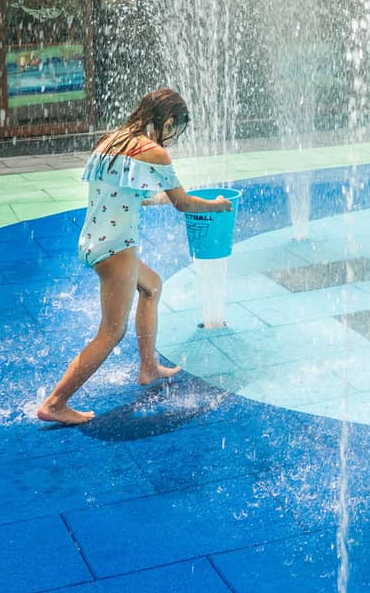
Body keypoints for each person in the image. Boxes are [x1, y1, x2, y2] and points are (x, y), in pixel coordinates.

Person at [36, 88, 232, 425]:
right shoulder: (153, 152)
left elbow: (126, 196)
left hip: (94, 241)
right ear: (166, 120)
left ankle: (148, 367)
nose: (172, 135)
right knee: (112, 332)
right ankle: (55, 403)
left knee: (152, 286)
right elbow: (184, 203)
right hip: (116, 248)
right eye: (174, 127)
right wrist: (215, 205)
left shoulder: (110, 141)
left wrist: (161, 200)